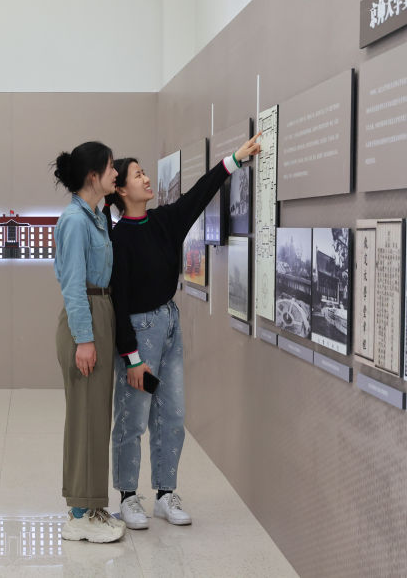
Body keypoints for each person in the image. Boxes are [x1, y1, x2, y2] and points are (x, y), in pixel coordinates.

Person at [107, 133, 260, 530]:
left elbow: (198, 193)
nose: (146, 179)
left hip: (170, 326)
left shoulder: (164, 221)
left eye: (144, 173)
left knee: (172, 414)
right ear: (121, 190)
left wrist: (235, 159)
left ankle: (164, 494)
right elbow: (118, 302)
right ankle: (127, 496)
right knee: (133, 416)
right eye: (138, 175)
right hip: (139, 334)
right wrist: (132, 358)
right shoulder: (118, 239)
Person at [52, 141, 126, 543]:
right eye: (111, 167)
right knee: (86, 417)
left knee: (96, 416)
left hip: (101, 312)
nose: (117, 173)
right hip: (87, 318)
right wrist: (85, 339)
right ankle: (79, 514)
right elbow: (73, 286)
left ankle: (92, 506)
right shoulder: (75, 222)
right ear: (93, 176)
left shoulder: (95, 217)